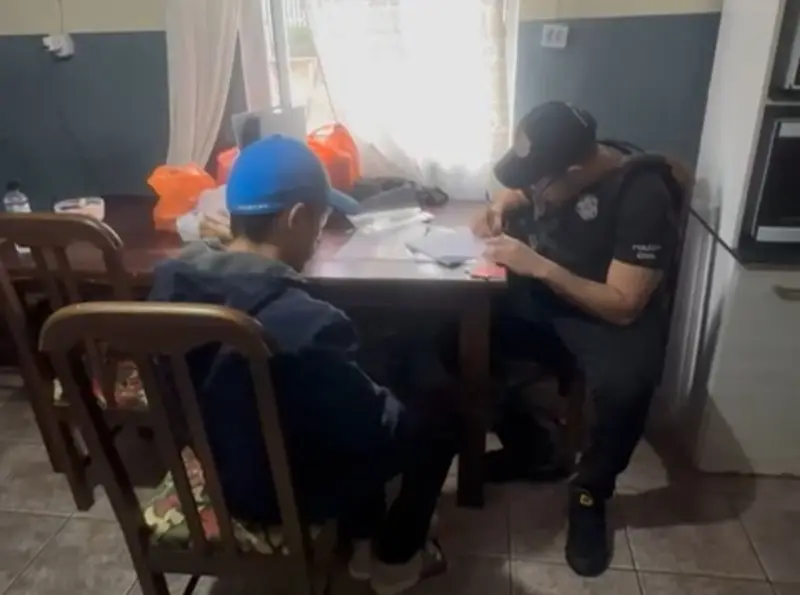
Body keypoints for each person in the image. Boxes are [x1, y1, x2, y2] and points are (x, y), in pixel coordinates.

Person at [149, 135, 455, 595]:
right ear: (296, 219)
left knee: (359, 377)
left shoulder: (171, 284)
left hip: (221, 468)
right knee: (440, 416)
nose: (320, 232)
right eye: (322, 218)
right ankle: (395, 561)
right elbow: (376, 428)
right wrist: (392, 395)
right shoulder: (307, 323)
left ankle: (363, 534)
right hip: (283, 494)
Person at [473, 101, 682, 577]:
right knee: (463, 332)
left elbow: (625, 304)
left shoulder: (642, 195)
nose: (532, 189)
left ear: (572, 172)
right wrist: (500, 205)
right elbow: (518, 188)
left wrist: (539, 266)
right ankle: (533, 449)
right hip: (548, 298)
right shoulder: (561, 162)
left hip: (605, 312)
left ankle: (591, 490)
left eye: (538, 181)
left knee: (628, 387)